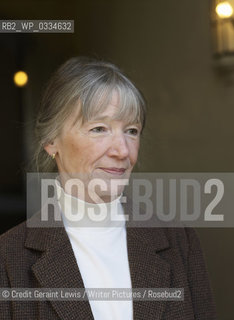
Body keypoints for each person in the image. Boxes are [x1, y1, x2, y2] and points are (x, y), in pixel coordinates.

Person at [0, 56, 217, 319]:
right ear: (50, 141)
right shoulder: (8, 258)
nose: (123, 151)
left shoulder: (180, 242)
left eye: (132, 131)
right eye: (99, 129)